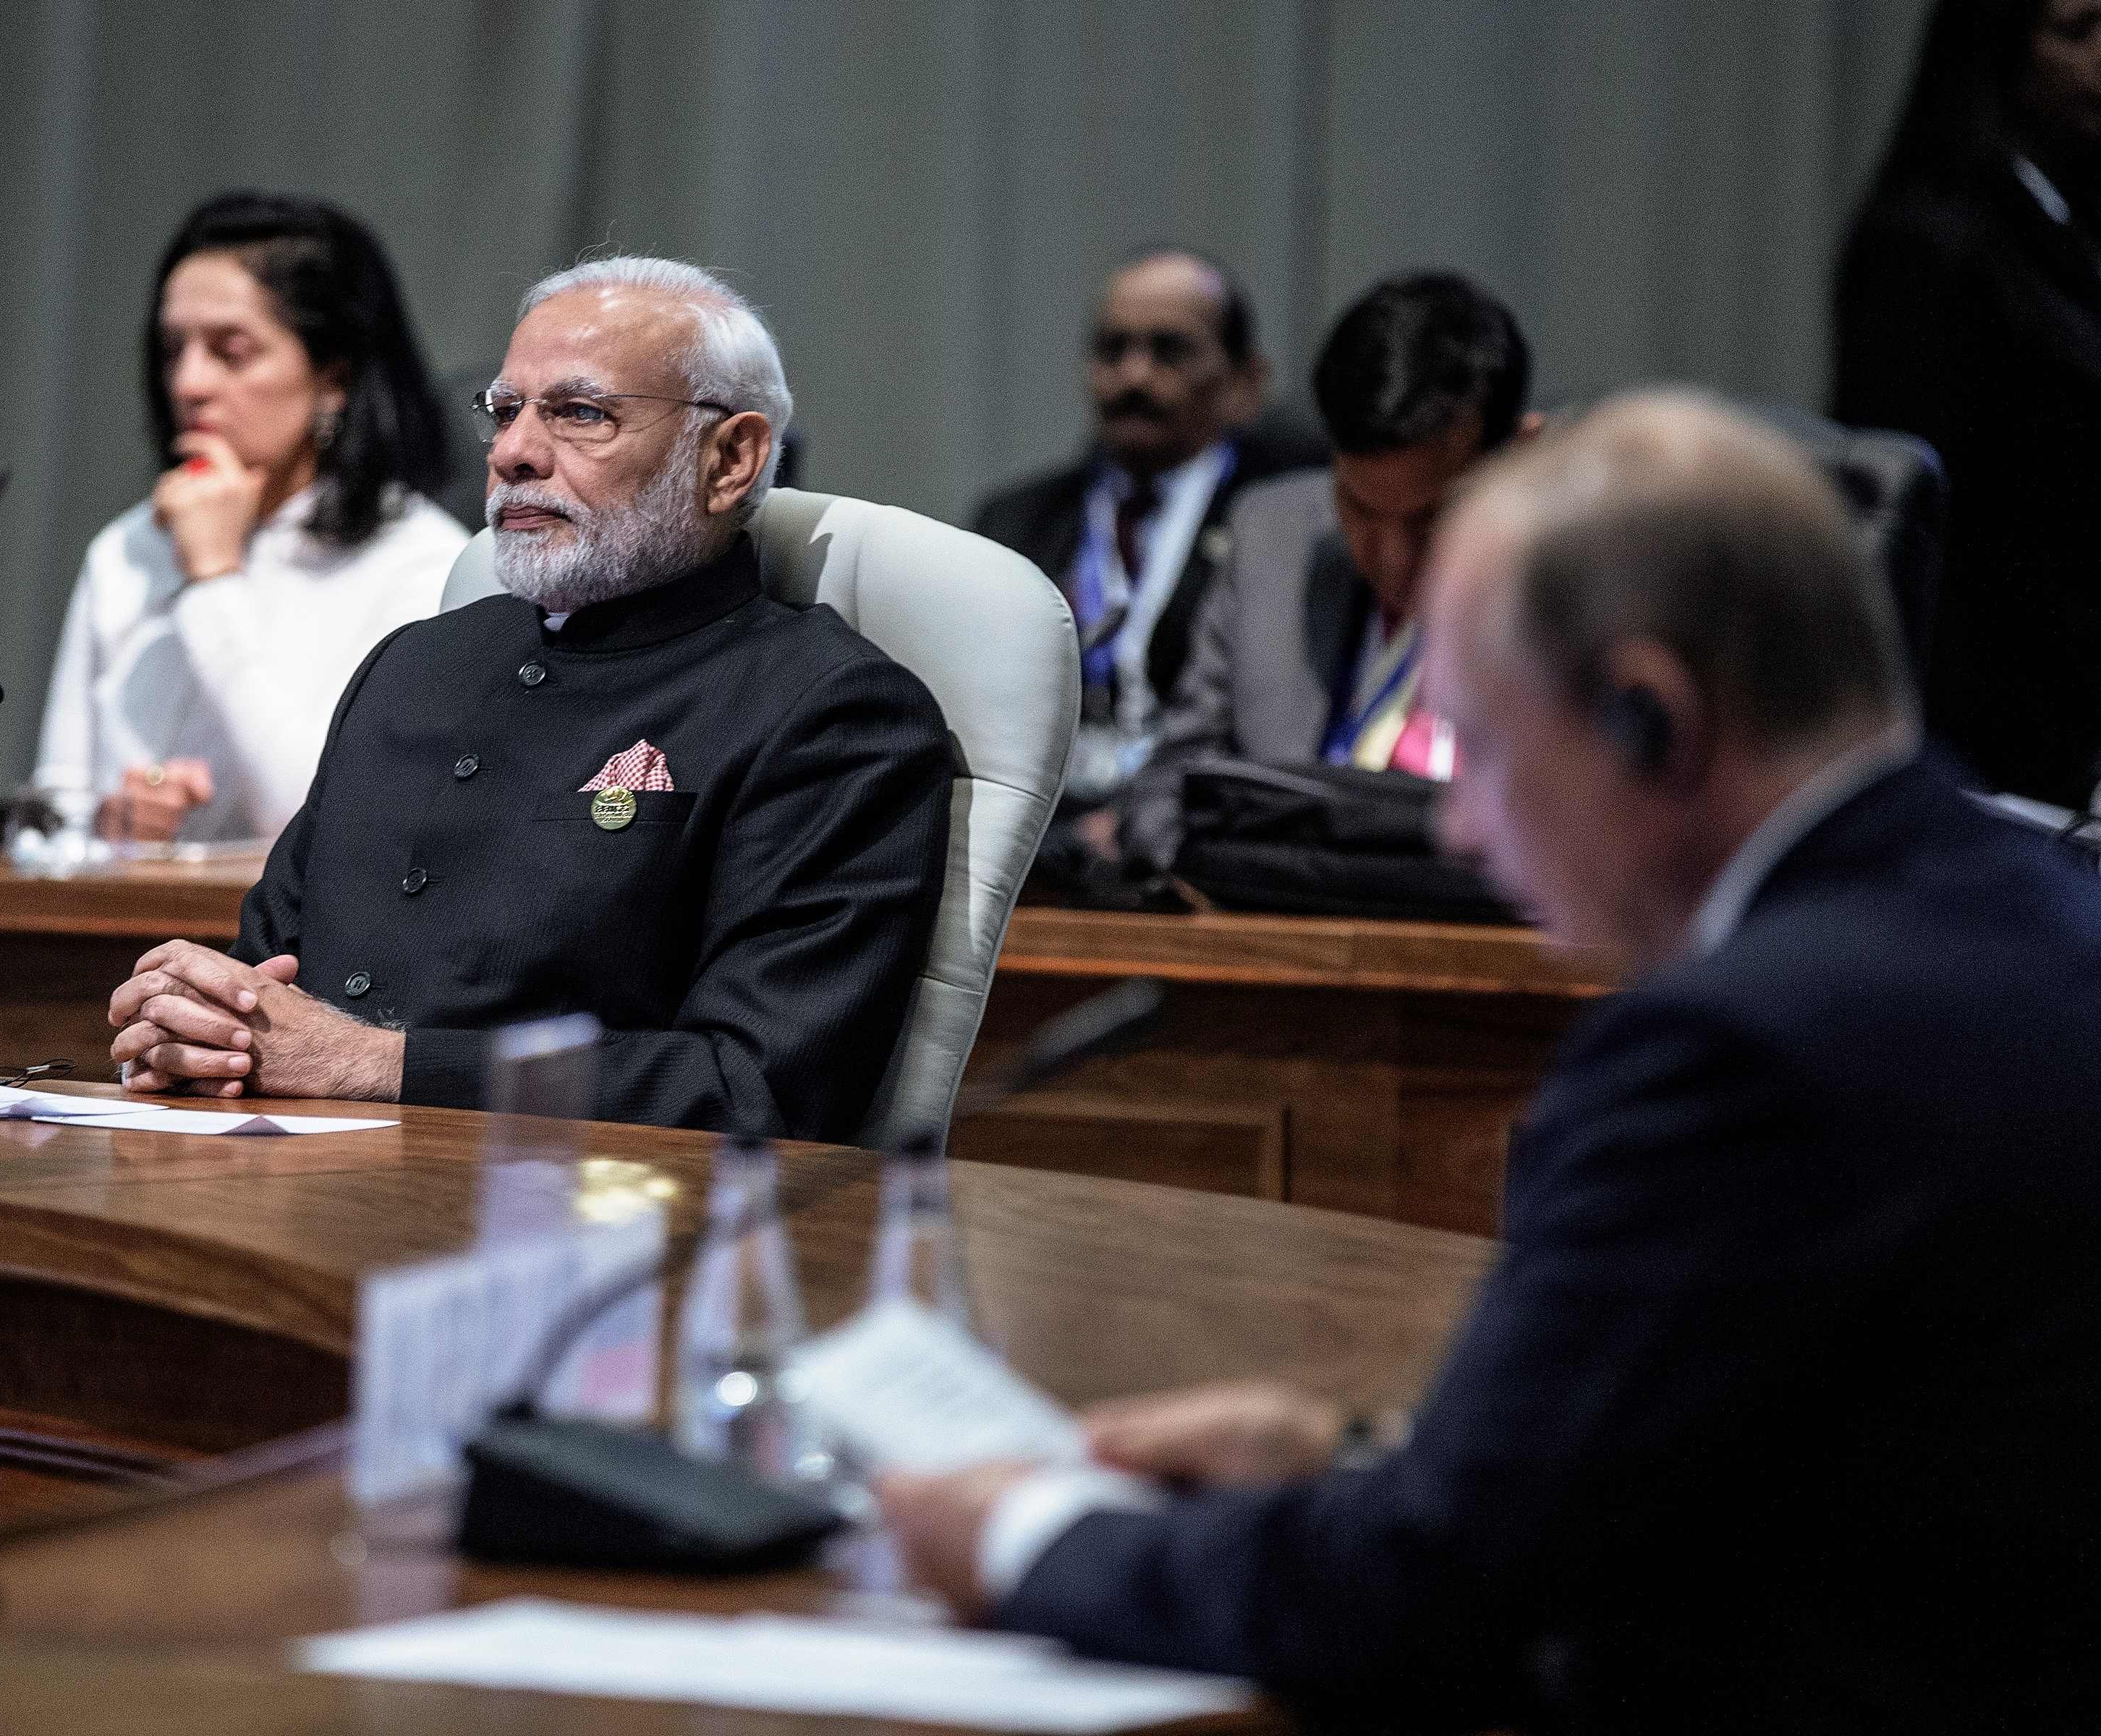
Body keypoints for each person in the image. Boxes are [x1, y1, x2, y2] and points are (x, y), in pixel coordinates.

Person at [882, 391, 2101, 1731]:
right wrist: (1361, 1459)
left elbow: (1436, 1592)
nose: (1460, 830)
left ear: (1650, 719)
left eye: (1477, 749)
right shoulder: (2038, 914)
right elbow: (1819, 1467)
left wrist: (1030, 1539)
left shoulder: (1738, 1051)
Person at [101, 258, 953, 1142]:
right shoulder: (413, 665)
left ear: (731, 458)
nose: (513, 452)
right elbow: (265, 974)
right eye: (506, 412)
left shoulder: (834, 715)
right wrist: (193, 1024)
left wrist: (372, 1066)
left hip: (582, 1232)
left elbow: (753, 1087)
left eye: (580, 414)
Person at [33, 190, 467, 844]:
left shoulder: (421, 562)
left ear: (333, 380)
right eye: (173, 348)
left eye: (230, 352)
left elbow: (326, 827)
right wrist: (107, 821)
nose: (188, 383)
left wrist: (214, 580)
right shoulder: (125, 551)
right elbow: (50, 815)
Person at [1094, 271, 1534, 869]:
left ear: (1522, 454)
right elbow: (1168, 784)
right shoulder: (1274, 537)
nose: (1393, 560)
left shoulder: (1590, 583)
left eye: (1434, 519)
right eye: (1359, 511)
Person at [1833, 0, 2101, 807]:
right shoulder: (1927, 250)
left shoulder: (2067, 228)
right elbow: (1913, 542)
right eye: (2076, 31)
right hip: (1984, 754)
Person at [972, 250, 1322, 807]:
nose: (1134, 375)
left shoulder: (1283, 528)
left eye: (1170, 350)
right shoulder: (1016, 522)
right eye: (1114, 350)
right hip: (1046, 833)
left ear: (1244, 380)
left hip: (1202, 828)